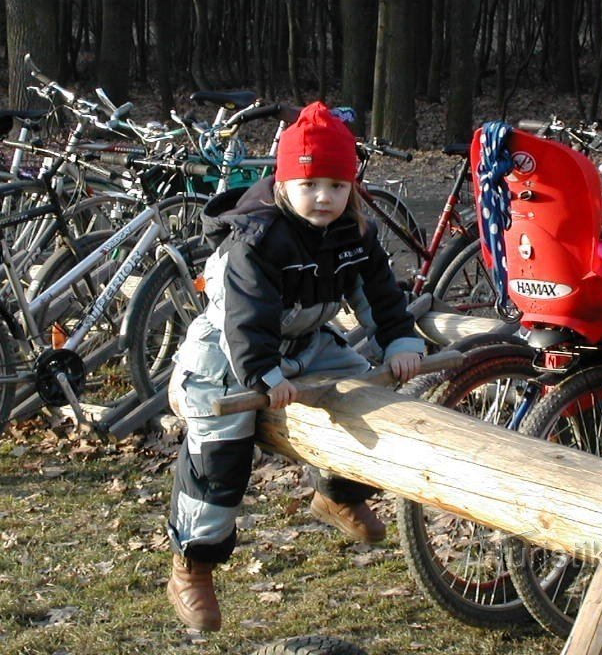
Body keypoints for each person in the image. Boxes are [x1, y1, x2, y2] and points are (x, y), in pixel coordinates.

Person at [164, 101, 426, 631]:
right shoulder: (258, 239)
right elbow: (246, 316)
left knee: (369, 402)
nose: (324, 197)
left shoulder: (357, 232)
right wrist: (265, 374)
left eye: (336, 184)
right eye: (310, 185)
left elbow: (379, 293)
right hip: (231, 350)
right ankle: (193, 564)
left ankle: (338, 494)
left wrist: (399, 340)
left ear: (352, 186)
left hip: (307, 341)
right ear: (285, 185)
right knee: (220, 453)